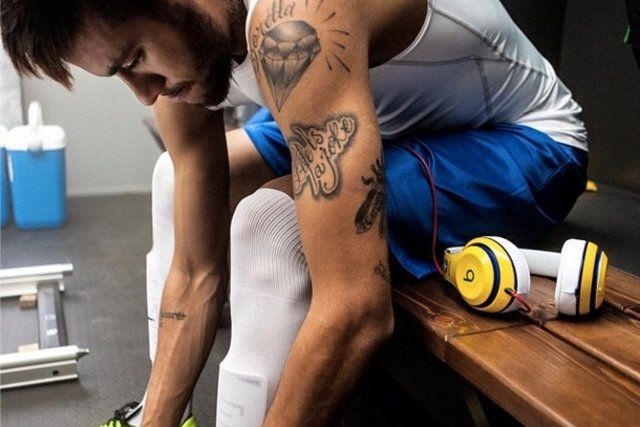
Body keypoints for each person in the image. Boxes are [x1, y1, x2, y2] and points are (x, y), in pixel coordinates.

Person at [1, 0, 588, 425]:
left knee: (270, 225)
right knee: (171, 179)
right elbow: (196, 270)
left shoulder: (295, 19)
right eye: (120, 73)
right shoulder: (183, 50)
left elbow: (356, 310)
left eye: (135, 57)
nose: (145, 92)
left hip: (523, 140)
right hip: (372, 113)